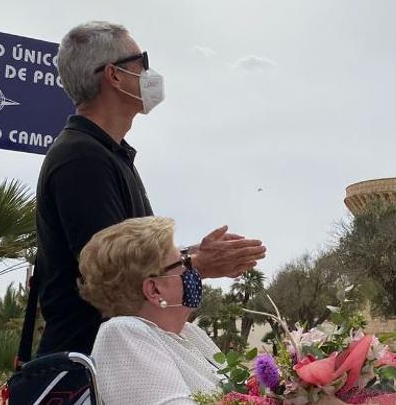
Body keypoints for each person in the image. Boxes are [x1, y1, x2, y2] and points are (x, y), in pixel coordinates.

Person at [35, 21, 266, 355]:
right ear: (113, 75)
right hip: (95, 366)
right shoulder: (82, 159)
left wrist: (191, 256)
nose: (150, 73)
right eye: (142, 62)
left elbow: (134, 259)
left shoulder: (106, 154)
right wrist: (198, 263)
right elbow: (115, 279)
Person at [79, 217, 222, 404]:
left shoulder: (192, 333)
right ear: (154, 290)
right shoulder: (122, 333)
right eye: (183, 263)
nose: (193, 271)